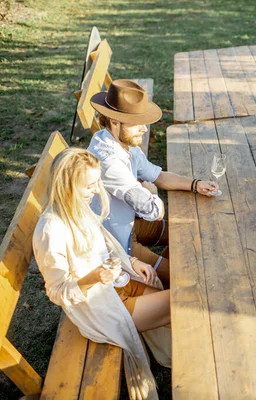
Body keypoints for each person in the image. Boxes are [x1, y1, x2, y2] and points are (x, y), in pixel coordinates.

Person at [33, 148, 171, 400]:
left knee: (174, 298)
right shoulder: (51, 231)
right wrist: (93, 278)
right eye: (89, 185)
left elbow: (104, 250)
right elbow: (57, 292)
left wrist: (133, 261)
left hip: (117, 285)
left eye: (97, 181)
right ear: (67, 186)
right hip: (101, 308)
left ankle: (182, 354)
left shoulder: (79, 207)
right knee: (183, 302)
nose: (96, 190)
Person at [88, 79, 217, 288]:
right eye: (137, 123)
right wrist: (150, 191)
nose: (144, 130)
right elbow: (153, 211)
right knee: (185, 280)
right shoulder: (108, 162)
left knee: (190, 228)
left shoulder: (117, 141)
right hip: (119, 244)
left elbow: (158, 176)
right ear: (114, 121)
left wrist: (195, 184)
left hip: (131, 225)